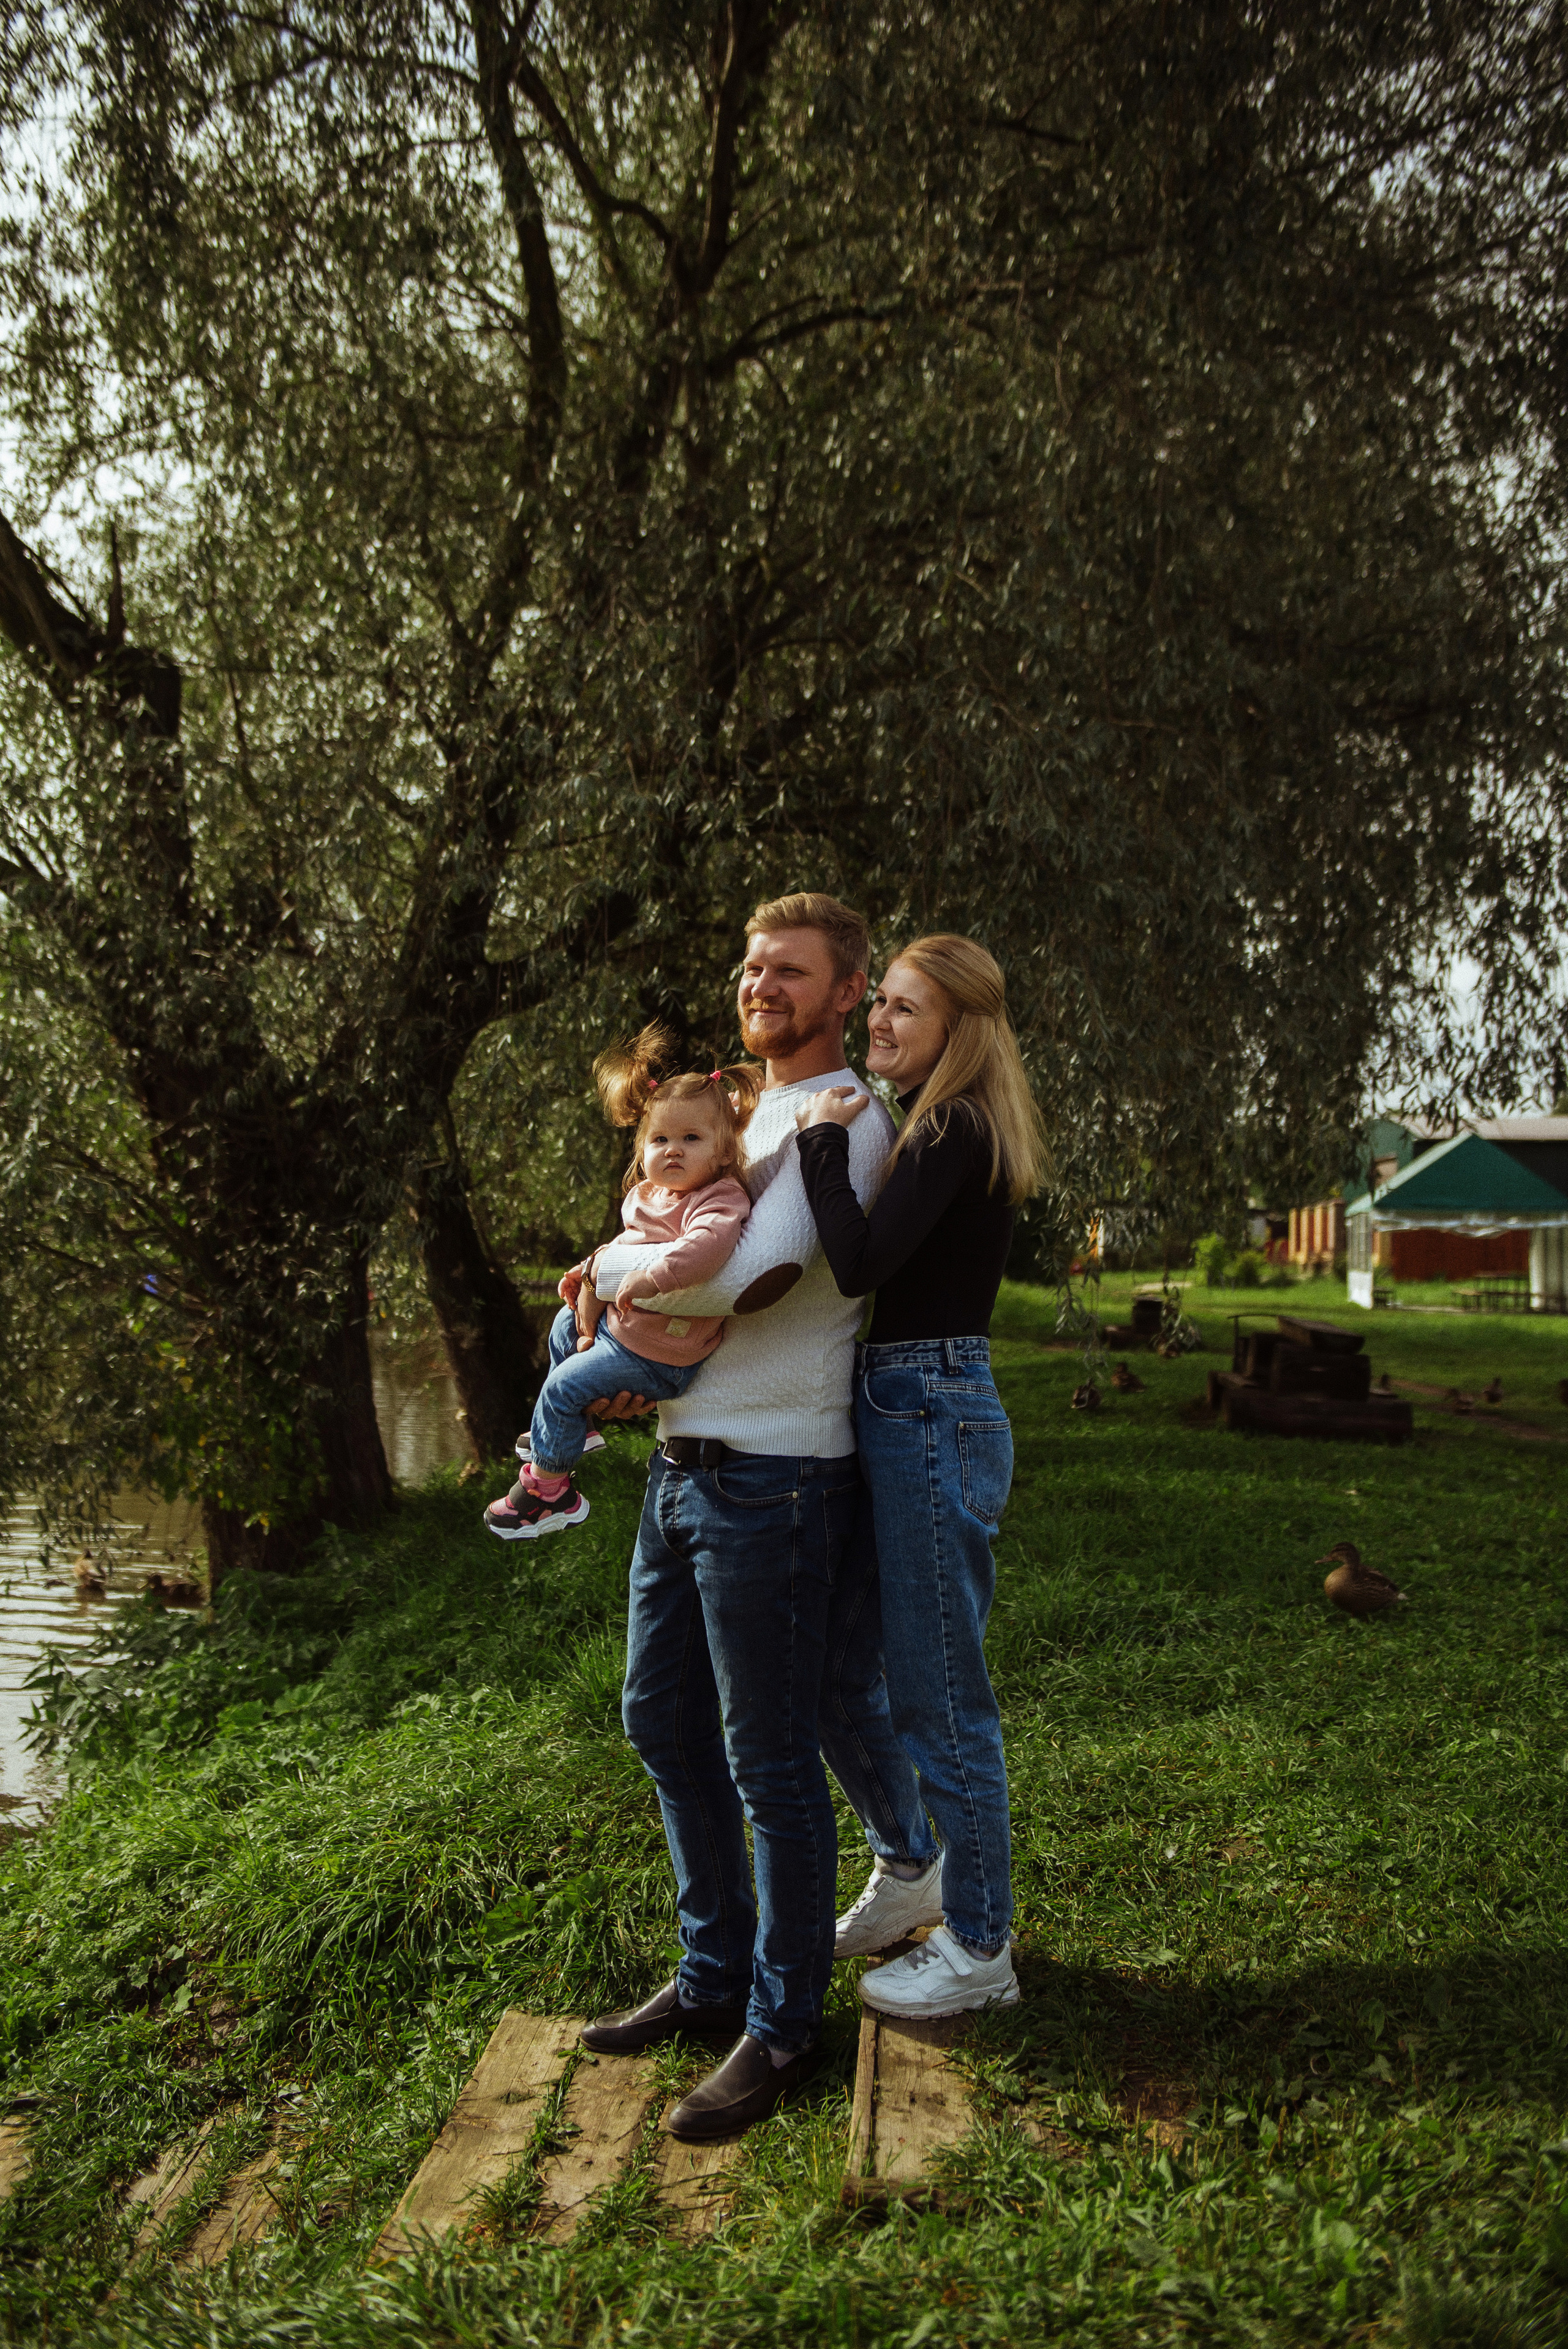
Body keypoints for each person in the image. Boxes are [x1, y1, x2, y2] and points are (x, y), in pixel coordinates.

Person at [571, 893, 930, 2141]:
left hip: (778, 1478)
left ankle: (780, 2023)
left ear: (847, 993)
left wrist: (596, 1277)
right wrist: (611, 1318)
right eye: (748, 963)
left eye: (790, 968)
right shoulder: (744, 1114)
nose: (758, 981)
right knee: (658, 1720)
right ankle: (710, 1975)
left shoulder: (850, 1117)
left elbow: (737, 1272)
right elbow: (664, 1233)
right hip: (683, 1470)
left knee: (766, 1760)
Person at [796, 933, 1047, 2019]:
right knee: (840, 1666)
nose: (880, 1024)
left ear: (958, 1026)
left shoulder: (950, 1125)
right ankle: (911, 1871)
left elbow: (858, 1260)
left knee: (942, 1696)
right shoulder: (931, 1124)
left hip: (928, 1408)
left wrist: (814, 1145)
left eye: (905, 1009)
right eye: (881, 1005)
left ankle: (981, 1944)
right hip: (903, 1402)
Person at [484, 1033, 758, 1541]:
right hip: (623, 1333)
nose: (673, 1151)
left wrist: (650, 1275)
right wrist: (587, 1270)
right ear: (642, 1147)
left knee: (562, 1388)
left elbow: (708, 1248)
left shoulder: (719, 1198)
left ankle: (550, 1491)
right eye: (660, 1141)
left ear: (723, 1152)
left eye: (691, 1140)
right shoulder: (646, 1196)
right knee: (564, 1323)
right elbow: (625, 1243)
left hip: (663, 1353)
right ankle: (578, 1432)